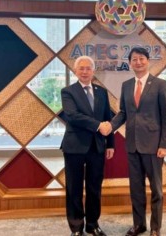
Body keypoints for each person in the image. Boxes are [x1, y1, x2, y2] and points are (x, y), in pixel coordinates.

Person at [109, 47, 166, 236]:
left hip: (153, 146)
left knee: (156, 190)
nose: (138, 62)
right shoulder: (127, 85)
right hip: (132, 145)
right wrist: (110, 126)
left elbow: (165, 116)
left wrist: (164, 144)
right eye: (134, 59)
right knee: (135, 189)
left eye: (141, 58)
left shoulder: (160, 84)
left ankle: (155, 227)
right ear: (130, 63)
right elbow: (123, 113)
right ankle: (139, 225)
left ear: (148, 61)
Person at [60, 55, 115, 236]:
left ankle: (92, 224)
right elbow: (72, 116)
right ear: (76, 71)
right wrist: (98, 125)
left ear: (93, 71)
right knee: (74, 187)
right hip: (74, 146)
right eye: (81, 68)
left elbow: (108, 119)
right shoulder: (68, 91)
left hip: (97, 147)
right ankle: (76, 227)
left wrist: (110, 144)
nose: (85, 71)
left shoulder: (101, 92)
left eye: (88, 68)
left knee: (94, 187)